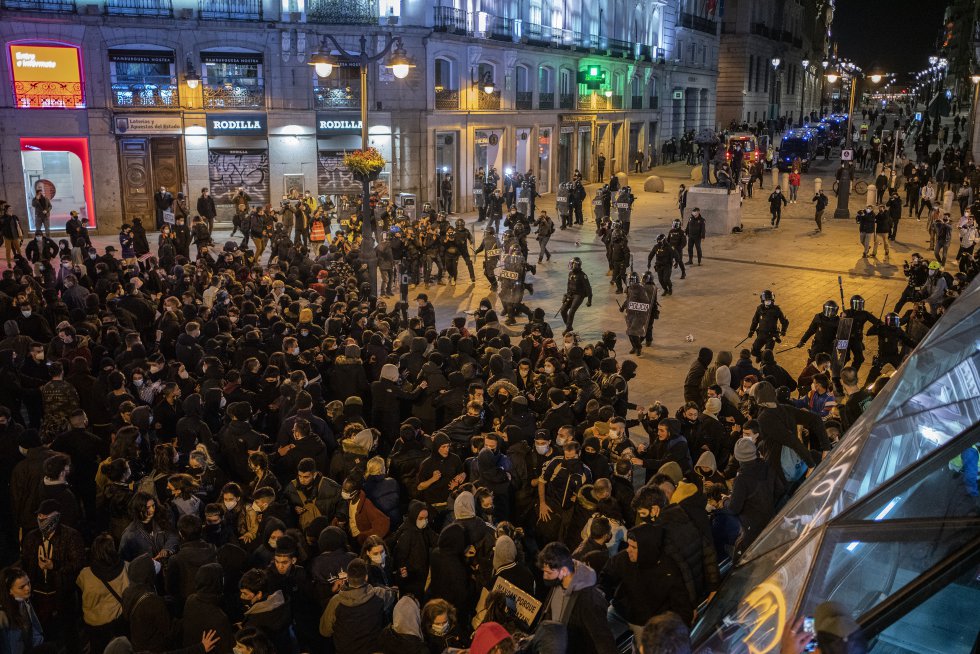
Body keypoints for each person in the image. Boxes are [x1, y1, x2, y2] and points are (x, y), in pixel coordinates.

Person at [536, 542, 616, 654]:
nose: (545, 577)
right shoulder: (557, 584)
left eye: (548, 573)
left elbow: (604, 643)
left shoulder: (589, 600)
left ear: (564, 571)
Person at [0, 567, 44, 654]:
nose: (27, 588)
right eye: (21, 587)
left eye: (28, 583)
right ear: (10, 591)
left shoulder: (23, 601)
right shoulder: (2, 615)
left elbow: (34, 628)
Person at [748, 290, 789, 361]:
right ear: (762, 300)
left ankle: (764, 362)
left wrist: (783, 330)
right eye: (766, 300)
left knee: (767, 354)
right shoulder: (759, 309)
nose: (767, 301)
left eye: (769, 300)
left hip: (771, 335)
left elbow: (784, 321)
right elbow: (755, 320)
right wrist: (751, 330)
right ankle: (761, 356)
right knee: (754, 351)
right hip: (761, 334)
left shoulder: (776, 310)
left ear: (772, 300)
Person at [559, 257, 592, 334]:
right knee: (563, 311)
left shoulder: (582, 275)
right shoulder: (570, 273)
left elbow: (588, 288)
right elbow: (569, 284)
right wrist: (566, 295)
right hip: (571, 294)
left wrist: (589, 300)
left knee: (571, 311)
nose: (570, 266)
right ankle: (569, 326)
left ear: (576, 265)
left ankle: (568, 327)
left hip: (579, 295)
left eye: (572, 264)